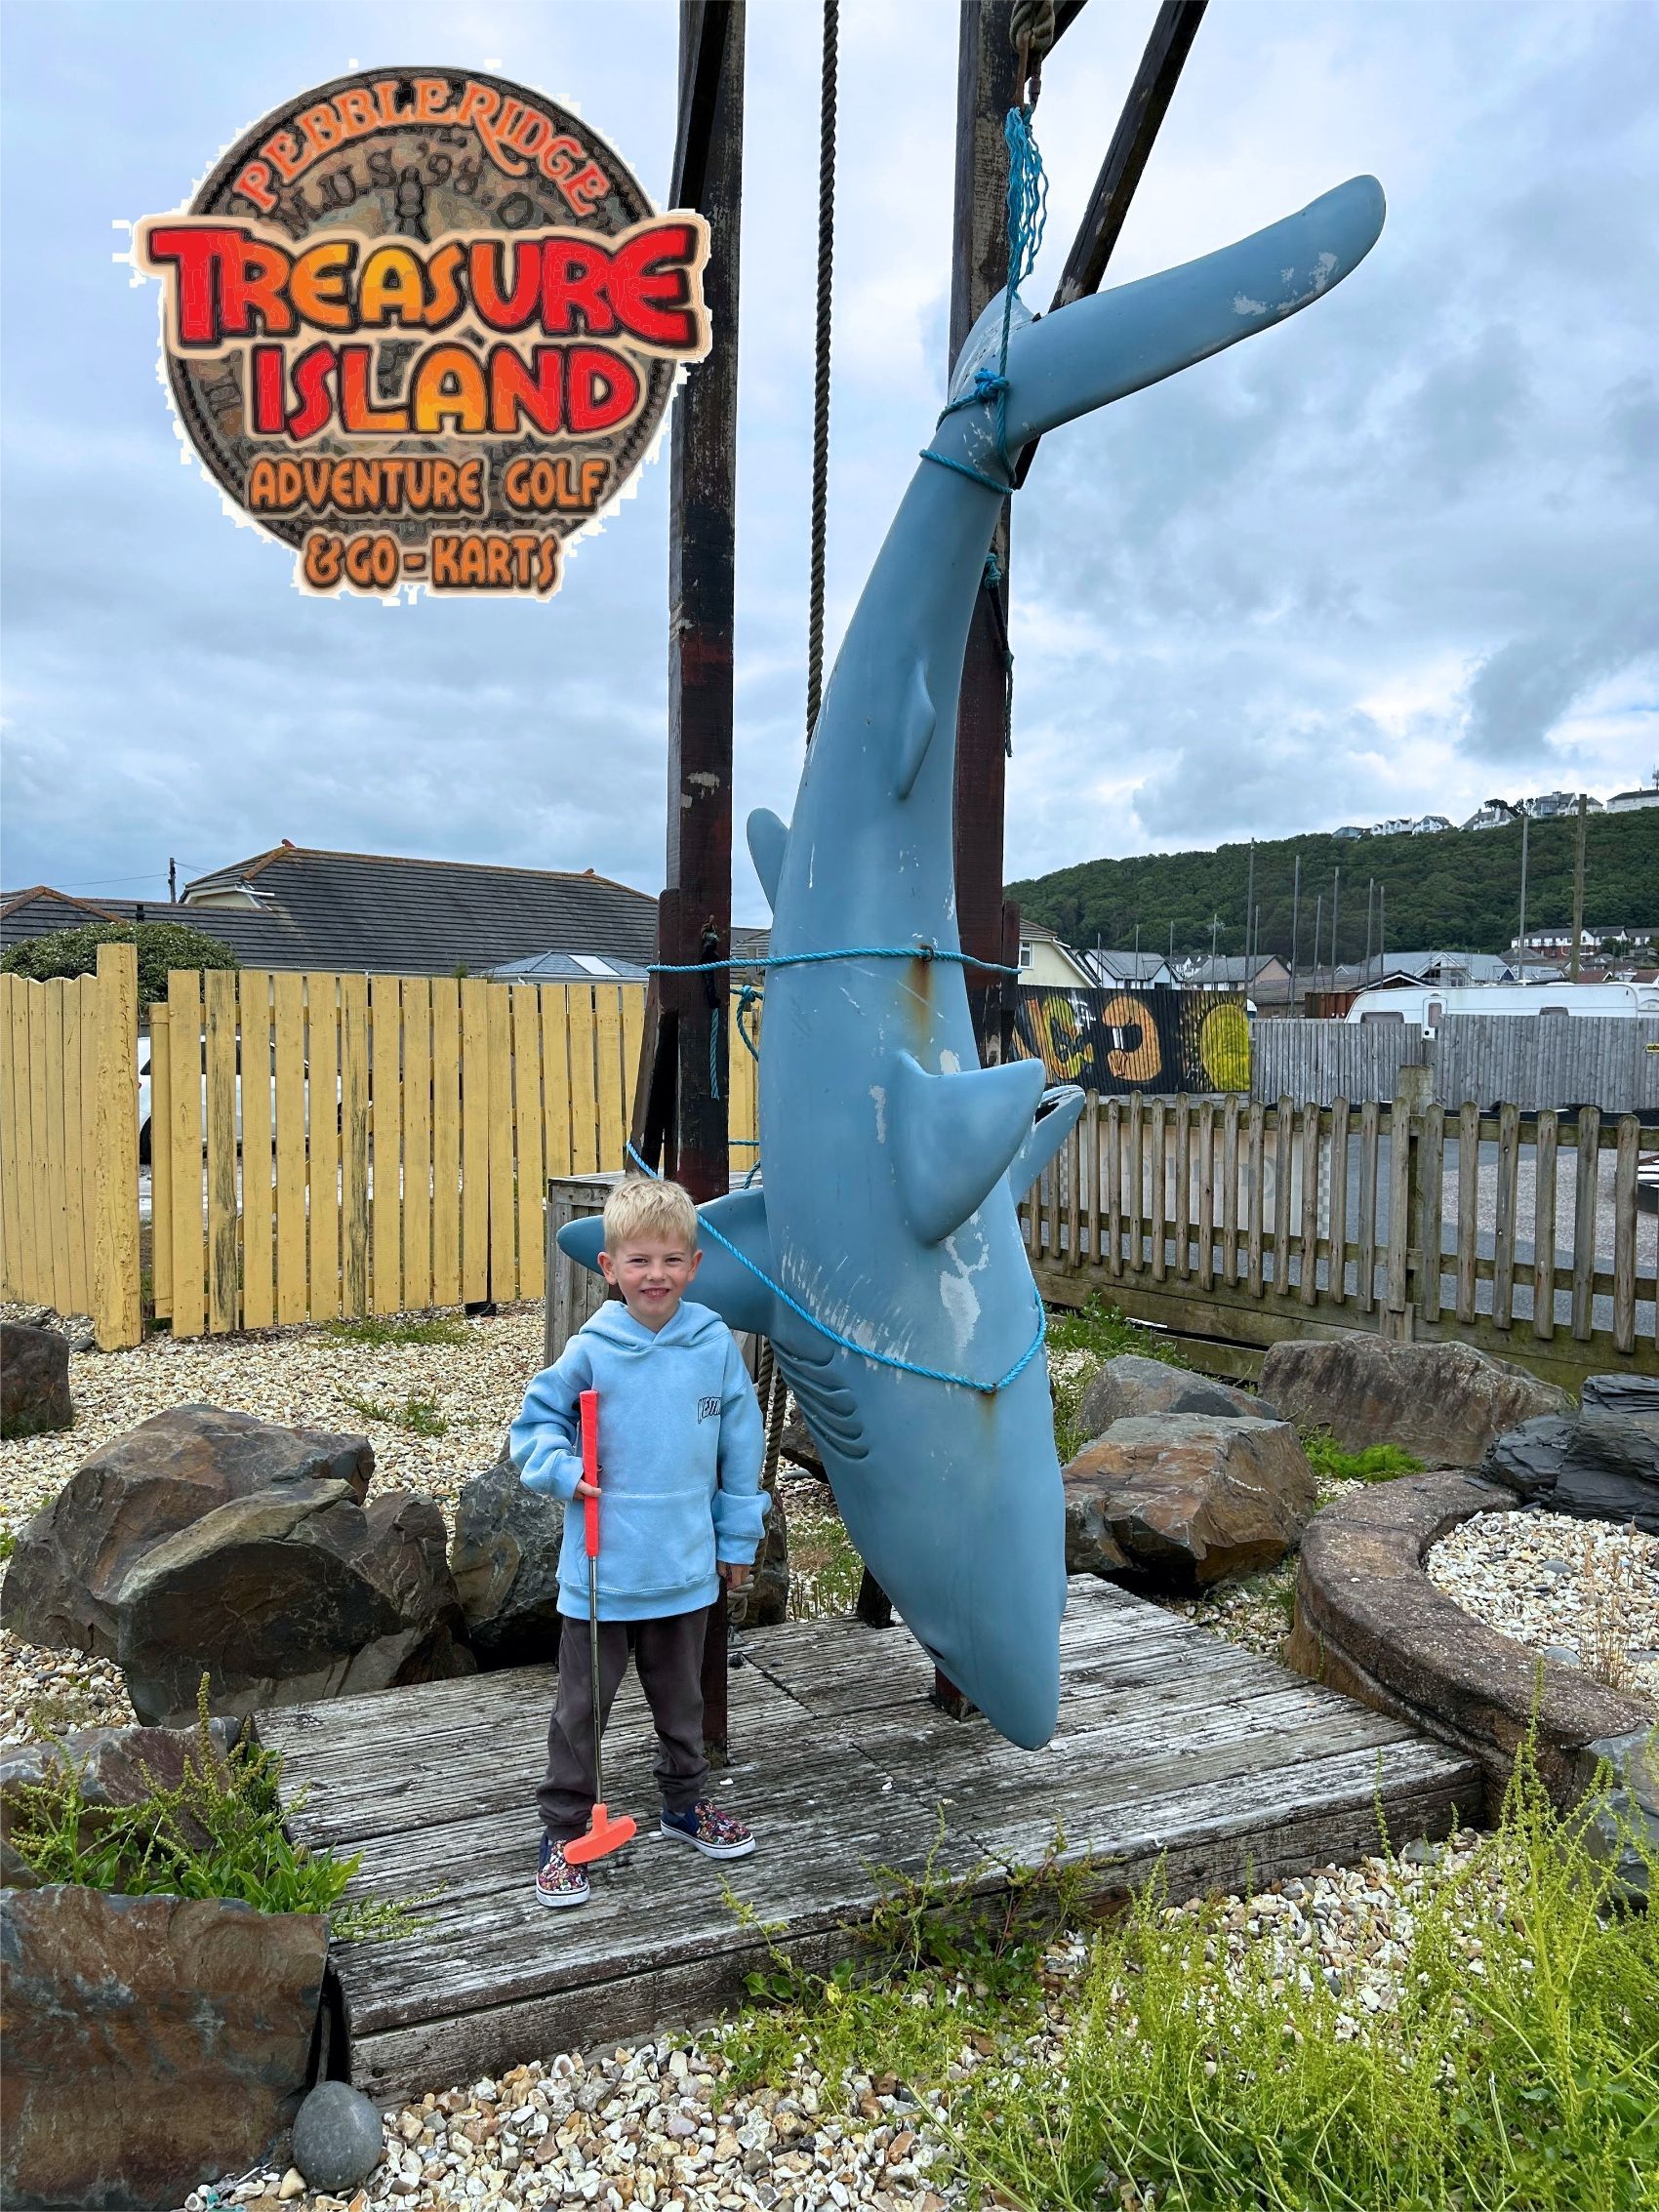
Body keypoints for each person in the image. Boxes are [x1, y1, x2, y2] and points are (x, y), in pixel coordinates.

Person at [510, 1174, 767, 1909]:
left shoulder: (714, 1345)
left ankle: (684, 1805)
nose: (655, 1274)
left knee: (682, 1703)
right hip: (603, 1572)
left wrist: (736, 1534)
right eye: (639, 1260)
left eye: (671, 1260)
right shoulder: (593, 1350)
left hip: (685, 1569)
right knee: (580, 1709)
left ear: (694, 1263)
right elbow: (534, 1426)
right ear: (609, 1267)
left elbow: (740, 1449)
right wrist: (562, 1470)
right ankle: (564, 1827)